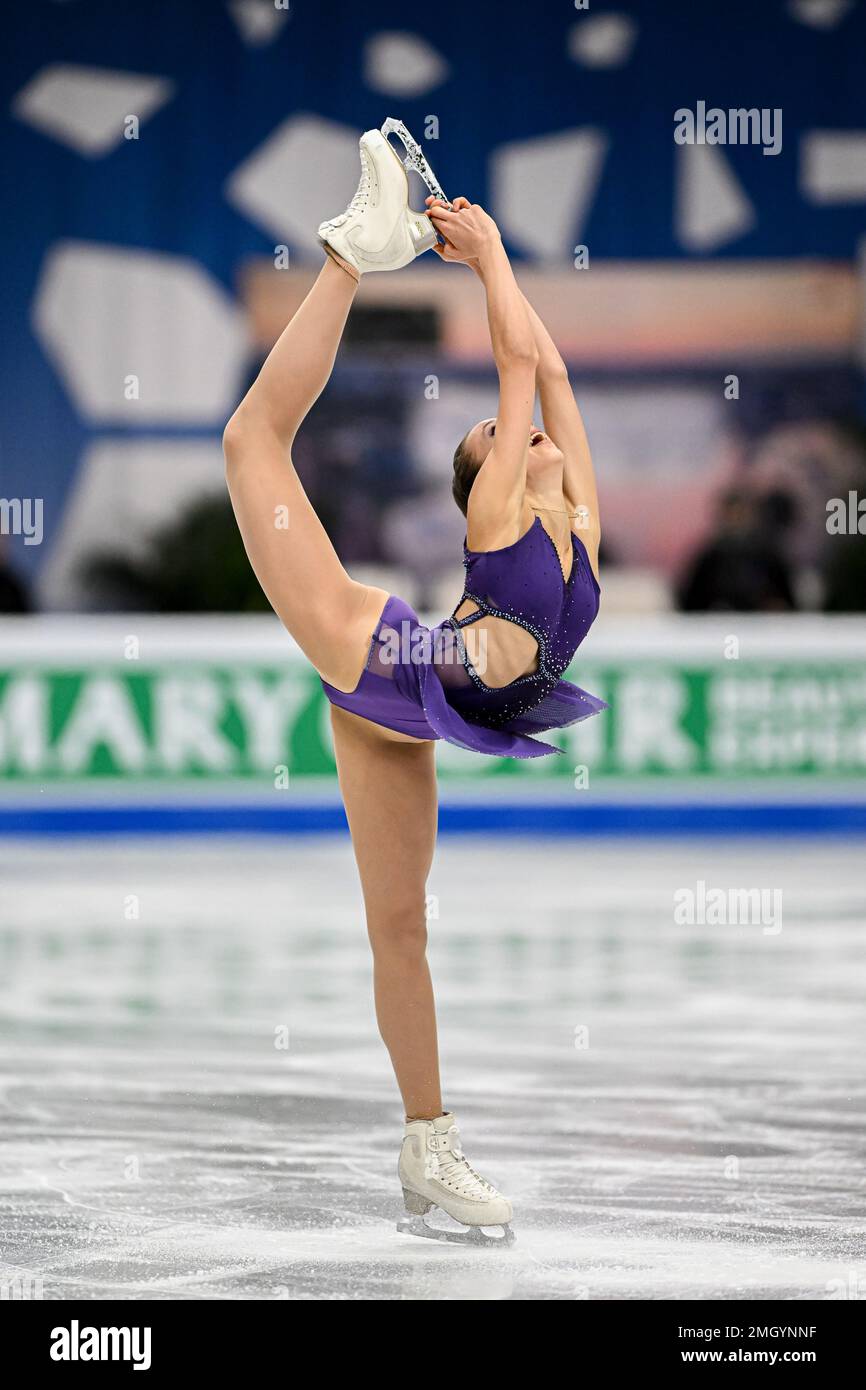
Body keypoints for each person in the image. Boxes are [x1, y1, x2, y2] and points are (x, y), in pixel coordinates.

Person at [224, 125, 605, 1245]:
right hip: (379, 655)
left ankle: (423, 1146)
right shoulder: (502, 516)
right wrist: (486, 258)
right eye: (492, 433)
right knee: (253, 442)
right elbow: (522, 366)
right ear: (483, 475)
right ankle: (349, 253)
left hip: (400, 699)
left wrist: (486, 265)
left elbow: (547, 368)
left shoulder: (571, 518)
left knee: (400, 931)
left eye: (499, 431)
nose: (507, 428)